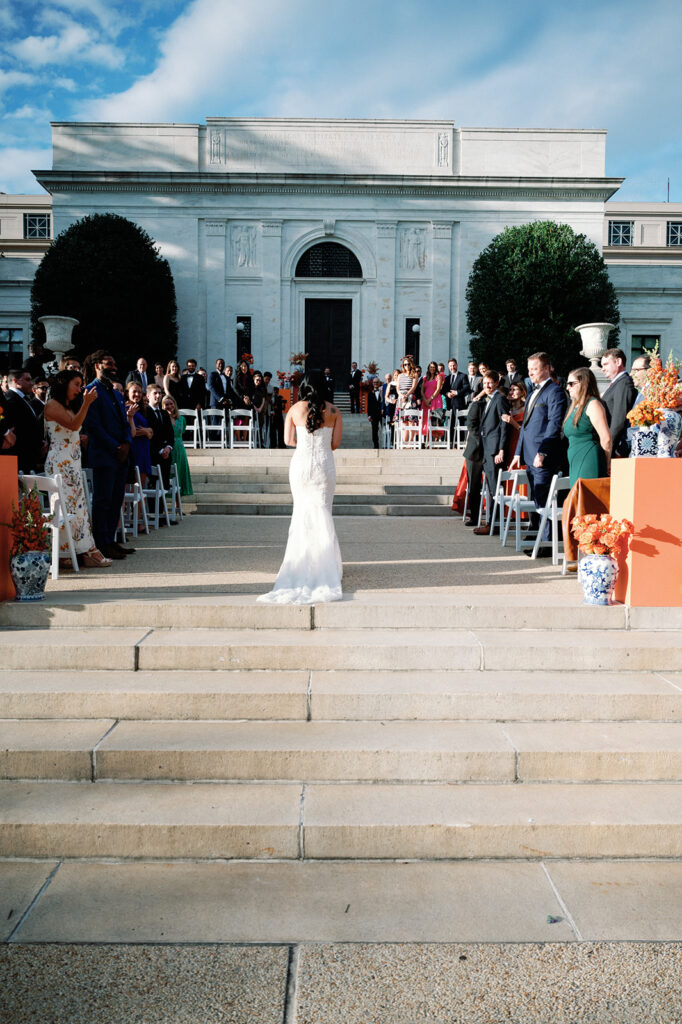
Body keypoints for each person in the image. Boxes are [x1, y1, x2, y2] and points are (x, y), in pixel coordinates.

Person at [258, 370, 343, 605]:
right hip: (324, 465)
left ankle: (300, 562)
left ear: (304, 386)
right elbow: (335, 444)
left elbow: (287, 440)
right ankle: (325, 564)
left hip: (301, 464)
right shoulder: (334, 411)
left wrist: (306, 443)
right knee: (323, 511)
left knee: (302, 511)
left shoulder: (294, 410)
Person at [44, 369, 112, 568]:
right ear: (63, 383)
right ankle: (72, 552)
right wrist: (86, 403)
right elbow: (73, 425)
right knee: (64, 508)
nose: (80, 388)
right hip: (59, 464)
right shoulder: (51, 405)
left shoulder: (68, 405)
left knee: (78, 507)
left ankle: (79, 551)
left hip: (72, 462)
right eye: (76, 383)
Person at [509, 351, 568, 556]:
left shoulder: (555, 392)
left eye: (534, 369)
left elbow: (554, 424)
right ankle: (538, 537)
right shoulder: (534, 392)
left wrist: (543, 452)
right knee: (537, 498)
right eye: (529, 369)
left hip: (543, 456)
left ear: (546, 368)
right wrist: (518, 453)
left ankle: (547, 544)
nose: (531, 373)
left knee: (545, 500)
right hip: (528, 454)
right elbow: (524, 426)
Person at [83, 350, 134, 561]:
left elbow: (124, 422)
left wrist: (127, 444)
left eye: (114, 363)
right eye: (108, 363)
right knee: (102, 501)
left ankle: (111, 540)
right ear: (97, 365)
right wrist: (115, 447)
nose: (114, 366)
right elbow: (93, 426)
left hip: (121, 456)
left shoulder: (115, 393)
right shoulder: (90, 391)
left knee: (116, 500)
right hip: (105, 454)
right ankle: (101, 544)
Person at [473, 371, 510, 535]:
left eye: (490, 383)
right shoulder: (488, 399)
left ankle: (494, 524)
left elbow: (504, 426)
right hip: (487, 448)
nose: (487, 386)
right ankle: (492, 521)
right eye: (485, 383)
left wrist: (501, 449)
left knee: (495, 489)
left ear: (496, 383)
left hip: (495, 450)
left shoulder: (500, 398)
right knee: (490, 487)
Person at [563, 367, 611, 487]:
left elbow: (606, 438)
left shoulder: (593, 404)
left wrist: (607, 463)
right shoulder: (574, 406)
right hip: (575, 459)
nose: (567, 387)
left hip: (589, 458)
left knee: (588, 499)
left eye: (571, 384)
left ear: (583, 383)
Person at [3, 367, 47, 472]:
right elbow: (18, 429)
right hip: (18, 459)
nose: (31, 383)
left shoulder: (23, 399)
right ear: (15, 381)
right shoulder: (10, 399)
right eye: (27, 380)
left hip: (28, 458)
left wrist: (41, 443)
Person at [600, 347, 637, 458]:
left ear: (618, 362)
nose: (603, 369)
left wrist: (610, 450)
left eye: (606, 364)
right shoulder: (617, 383)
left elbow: (618, 421)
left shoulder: (624, 383)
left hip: (615, 449)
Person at [162, 395, 193, 496]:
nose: (170, 406)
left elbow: (182, 431)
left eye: (171, 404)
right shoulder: (162, 419)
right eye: (167, 404)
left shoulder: (182, 419)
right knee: (168, 475)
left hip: (180, 449)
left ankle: (177, 504)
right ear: (163, 406)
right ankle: (164, 507)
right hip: (167, 448)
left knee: (179, 474)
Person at [144, 383, 175, 487]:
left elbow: (170, 434)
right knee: (153, 487)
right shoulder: (145, 412)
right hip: (153, 455)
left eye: (160, 393)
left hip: (166, 457)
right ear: (148, 396)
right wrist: (160, 450)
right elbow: (149, 436)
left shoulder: (164, 413)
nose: (158, 396)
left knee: (164, 487)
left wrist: (168, 448)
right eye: (155, 393)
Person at [125, 380, 153, 485]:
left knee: (142, 485)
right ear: (127, 393)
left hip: (144, 448)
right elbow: (133, 431)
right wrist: (146, 431)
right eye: (134, 391)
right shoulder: (125, 408)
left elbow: (150, 431)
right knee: (135, 487)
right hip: (134, 449)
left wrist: (147, 431)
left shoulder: (141, 409)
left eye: (140, 392)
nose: (137, 394)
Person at [500, 381, 527, 462]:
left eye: (514, 390)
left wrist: (513, 422)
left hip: (519, 444)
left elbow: (527, 431)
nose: (511, 392)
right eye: (510, 390)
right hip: (506, 443)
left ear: (522, 392)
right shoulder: (506, 407)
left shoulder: (527, 409)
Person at [420, 361, 443, 436]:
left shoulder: (438, 376)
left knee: (435, 419)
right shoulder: (425, 377)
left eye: (433, 367)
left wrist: (430, 399)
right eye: (431, 367)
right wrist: (425, 399)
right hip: (425, 401)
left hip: (435, 400)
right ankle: (427, 440)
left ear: (436, 368)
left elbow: (438, 389)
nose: (432, 368)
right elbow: (422, 390)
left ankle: (435, 441)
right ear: (428, 368)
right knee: (425, 419)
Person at [366, 377, 383, 449]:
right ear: (372, 384)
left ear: (379, 383)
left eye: (377, 382)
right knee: (374, 431)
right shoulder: (370, 394)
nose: (375, 384)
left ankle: (386, 444)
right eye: (374, 382)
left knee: (385, 429)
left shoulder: (382, 392)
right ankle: (376, 446)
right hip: (374, 415)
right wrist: (369, 415)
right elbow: (369, 405)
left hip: (382, 414)